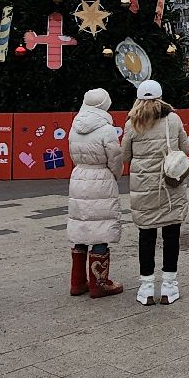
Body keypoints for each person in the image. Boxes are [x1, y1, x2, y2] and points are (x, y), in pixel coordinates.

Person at [120, 80, 189, 305]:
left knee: (146, 235)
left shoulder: (132, 123)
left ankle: (146, 287)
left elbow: (125, 156)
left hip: (143, 188)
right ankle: (169, 286)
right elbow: (186, 149)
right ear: (161, 97)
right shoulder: (173, 119)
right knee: (171, 235)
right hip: (170, 187)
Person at [66, 88, 125, 299]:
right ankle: (99, 283)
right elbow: (115, 158)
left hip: (79, 176)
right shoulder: (107, 129)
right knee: (100, 227)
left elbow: (72, 153)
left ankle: (77, 282)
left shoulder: (74, 126)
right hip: (101, 177)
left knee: (81, 226)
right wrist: (115, 175)